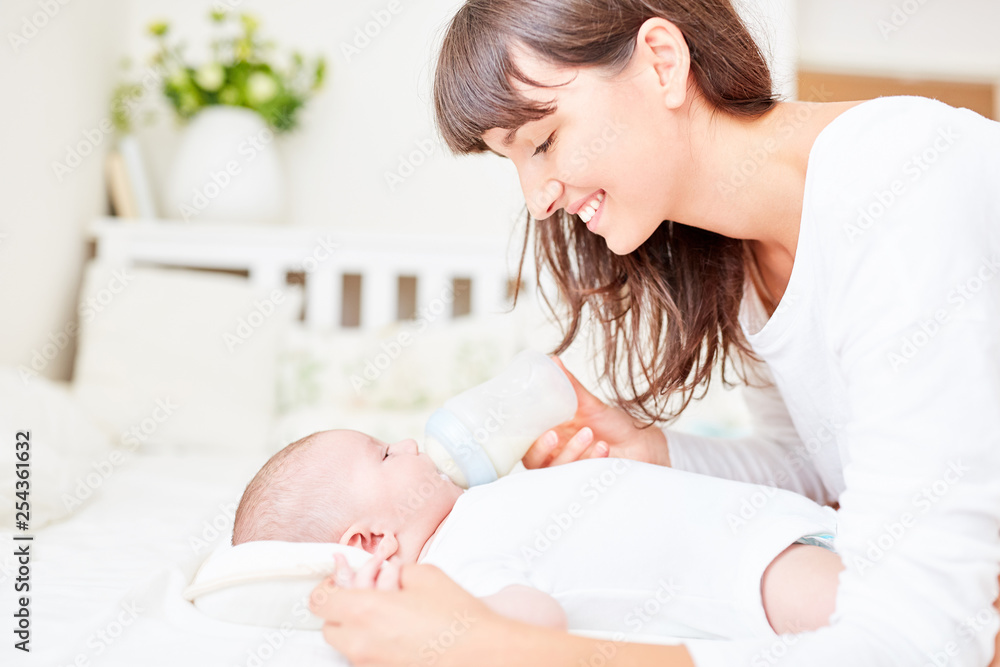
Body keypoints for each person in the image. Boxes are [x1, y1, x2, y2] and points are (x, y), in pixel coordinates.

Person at [309, 0, 1000, 665]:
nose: (536, 198)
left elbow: (925, 645)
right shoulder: (745, 256)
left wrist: (522, 653)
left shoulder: (904, 184)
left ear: (663, 61)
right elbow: (822, 469)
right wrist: (650, 450)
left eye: (544, 140)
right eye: (513, 161)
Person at [236, 426, 843, 638]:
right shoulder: (449, 576)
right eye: (385, 456)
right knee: (892, 617)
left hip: (790, 521)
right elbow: (534, 620)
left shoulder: (476, 506)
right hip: (750, 572)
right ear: (370, 542)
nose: (408, 443)